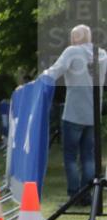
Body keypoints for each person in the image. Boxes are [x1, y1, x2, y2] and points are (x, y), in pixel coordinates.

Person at [41, 24, 107, 204]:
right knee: (88, 156)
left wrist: (37, 83)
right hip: (93, 114)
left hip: (73, 112)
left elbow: (54, 72)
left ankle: (74, 194)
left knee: (70, 155)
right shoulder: (102, 55)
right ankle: (87, 195)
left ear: (75, 38)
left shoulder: (72, 51)